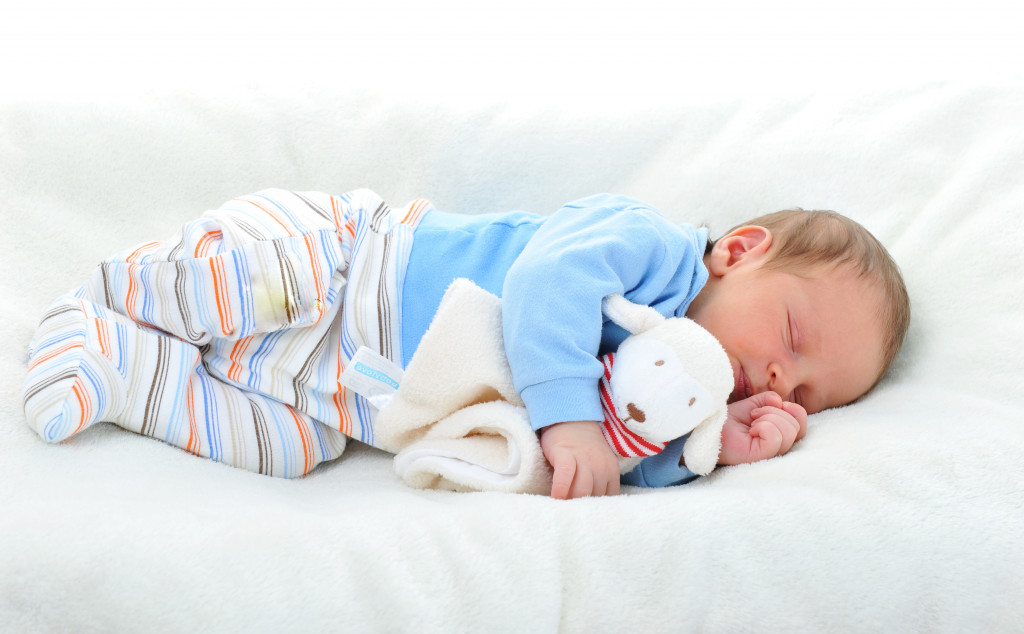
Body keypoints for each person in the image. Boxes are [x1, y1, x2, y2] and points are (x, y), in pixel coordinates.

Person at [22, 189, 909, 498]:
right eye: (793, 333)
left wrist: (713, 452)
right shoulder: (648, 250)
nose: (783, 377)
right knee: (253, 288)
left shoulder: (673, 408)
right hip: (352, 265)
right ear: (741, 251)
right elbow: (542, 287)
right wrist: (566, 419)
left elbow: (604, 466)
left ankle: (116, 364)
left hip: (354, 392)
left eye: (808, 396)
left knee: (294, 448)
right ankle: (116, 290)